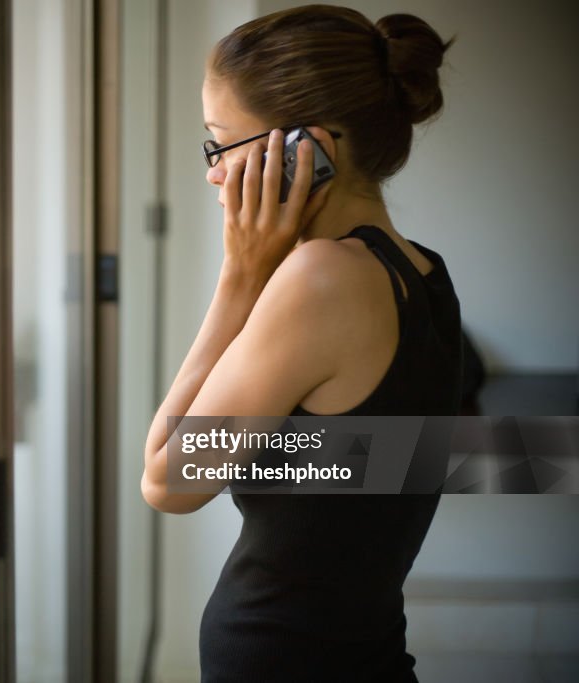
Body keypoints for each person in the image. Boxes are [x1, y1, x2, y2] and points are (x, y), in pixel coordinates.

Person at [140, 5, 461, 682]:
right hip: (365, 649)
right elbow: (343, 479)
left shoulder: (322, 280)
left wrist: (240, 275)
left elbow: (168, 479)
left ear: (306, 150)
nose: (214, 174)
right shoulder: (424, 272)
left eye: (221, 145)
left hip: (283, 655)